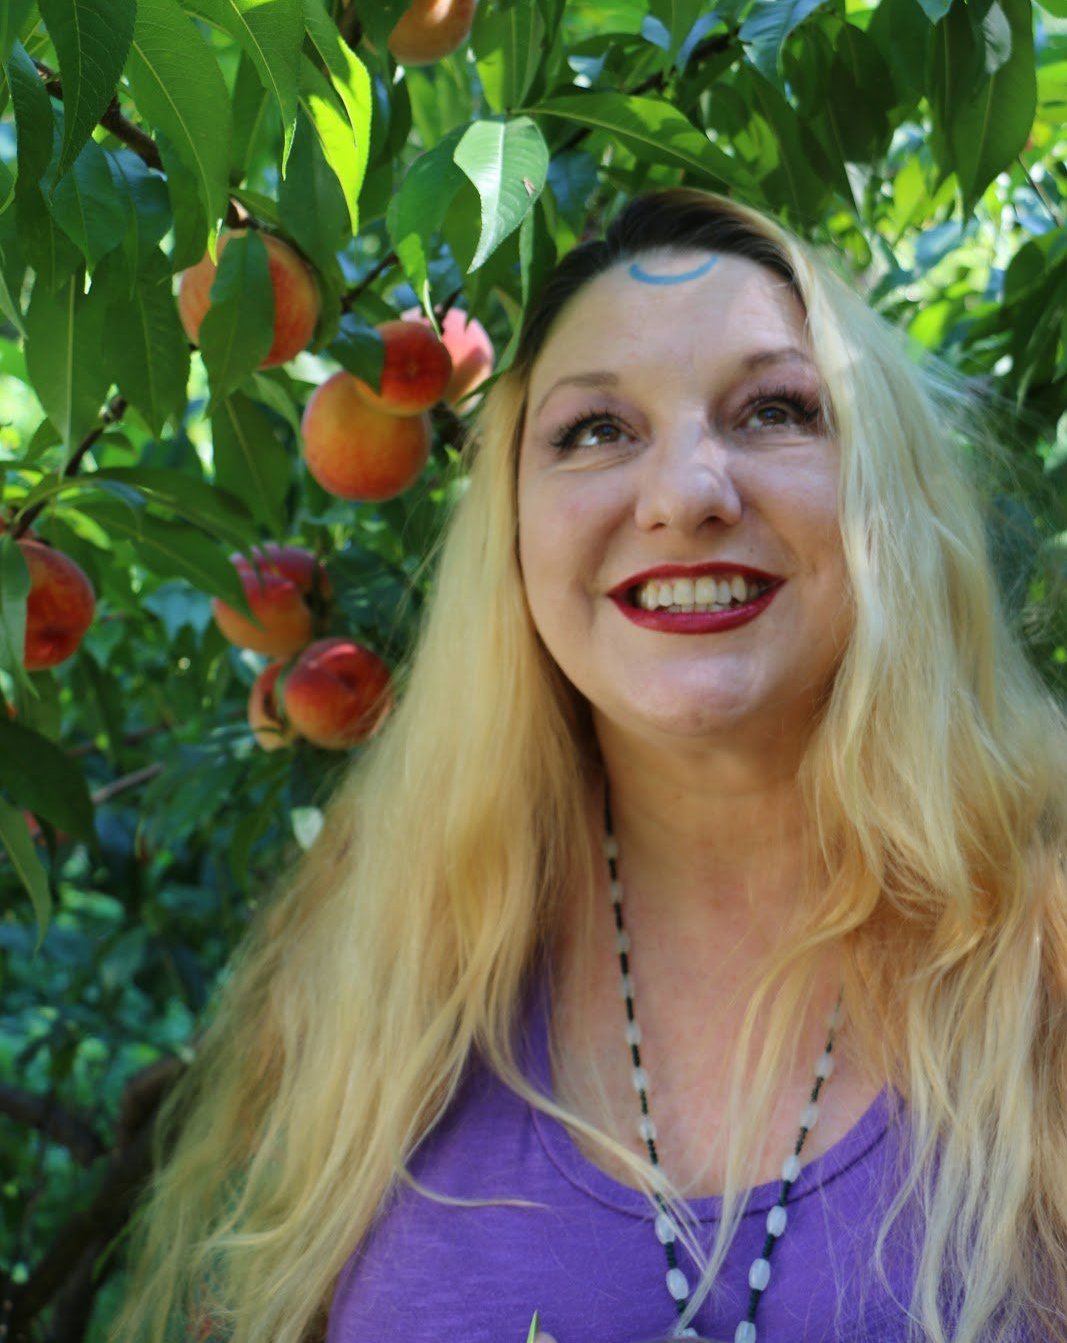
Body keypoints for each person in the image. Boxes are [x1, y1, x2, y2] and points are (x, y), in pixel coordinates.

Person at [110, 189, 1066, 1343]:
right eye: (594, 431)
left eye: (773, 409)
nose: (684, 495)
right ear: (510, 533)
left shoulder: (1042, 950)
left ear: (887, 493)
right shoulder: (391, 960)